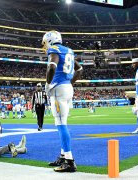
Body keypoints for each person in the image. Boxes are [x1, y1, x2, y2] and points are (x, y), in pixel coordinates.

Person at [43, 30, 83, 172]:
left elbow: (52, 66)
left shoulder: (54, 49)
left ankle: (69, 161)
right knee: (62, 122)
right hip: (67, 88)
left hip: (58, 88)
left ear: (50, 40)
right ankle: (62, 155)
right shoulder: (69, 51)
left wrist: (48, 83)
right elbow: (80, 69)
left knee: (61, 124)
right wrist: (70, 83)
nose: (45, 46)